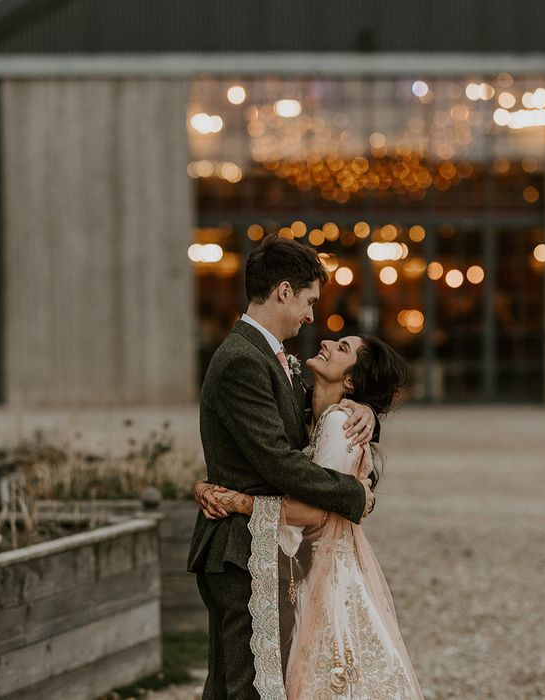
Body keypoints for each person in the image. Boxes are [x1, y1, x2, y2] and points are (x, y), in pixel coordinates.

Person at [187, 234, 378, 700]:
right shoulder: (241, 361)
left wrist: (364, 408)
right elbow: (277, 460)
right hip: (238, 547)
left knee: (241, 685)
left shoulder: (276, 359)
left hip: (258, 543)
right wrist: (355, 496)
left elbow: (313, 435)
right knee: (247, 688)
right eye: (309, 301)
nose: (312, 317)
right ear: (284, 291)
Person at [198, 334, 423, 699]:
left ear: (350, 380)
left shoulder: (338, 424)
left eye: (343, 348)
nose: (328, 342)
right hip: (307, 567)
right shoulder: (317, 416)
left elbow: (314, 513)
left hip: (325, 575)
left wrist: (241, 503)